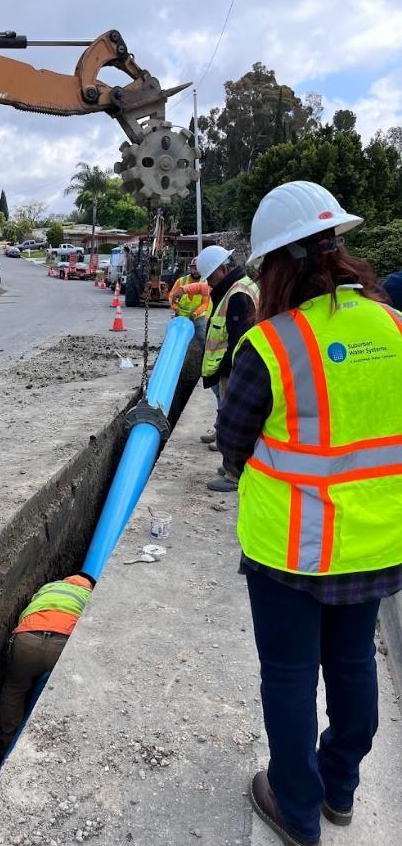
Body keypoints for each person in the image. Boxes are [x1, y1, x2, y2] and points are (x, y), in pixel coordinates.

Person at [216, 180, 402, 846]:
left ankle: (296, 808)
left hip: (288, 550)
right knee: (352, 666)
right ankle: (339, 787)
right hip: (375, 544)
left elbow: (232, 440)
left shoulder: (270, 344)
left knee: (290, 678)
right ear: (338, 248)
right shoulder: (394, 327)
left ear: (275, 266)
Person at [0, 573, 95, 751]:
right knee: (65, 692)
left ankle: (7, 742)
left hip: (27, 639)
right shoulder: (90, 595)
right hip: (63, 644)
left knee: (15, 688)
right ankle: (49, 746)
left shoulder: (49, 587)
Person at [196, 244, 259, 491]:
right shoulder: (241, 286)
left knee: (234, 418)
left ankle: (233, 473)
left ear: (223, 269)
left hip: (232, 367)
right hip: (233, 366)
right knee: (227, 413)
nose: (209, 284)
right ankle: (232, 464)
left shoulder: (237, 294)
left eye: (211, 277)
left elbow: (238, 339)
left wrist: (227, 368)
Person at [168, 258, 210, 348]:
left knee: (202, 338)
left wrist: (195, 314)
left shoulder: (205, 283)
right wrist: (175, 307)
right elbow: (172, 296)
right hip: (181, 316)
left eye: (199, 269)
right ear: (190, 269)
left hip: (198, 317)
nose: (196, 271)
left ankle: (203, 356)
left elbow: (205, 303)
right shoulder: (181, 281)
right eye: (194, 268)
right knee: (174, 339)